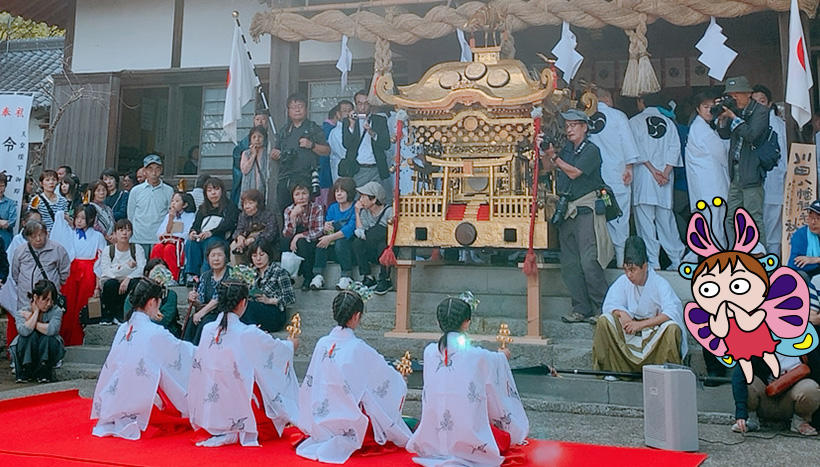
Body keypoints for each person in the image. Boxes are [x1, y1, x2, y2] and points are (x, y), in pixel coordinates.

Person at [406, 296, 529, 466]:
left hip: (434, 435)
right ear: (466, 322)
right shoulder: (475, 354)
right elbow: (495, 365)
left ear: (439, 322)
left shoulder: (429, 352)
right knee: (501, 437)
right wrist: (503, 356)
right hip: (469, 434)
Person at [297, 290, 412, 463]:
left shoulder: (322, 343)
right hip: (350, 419)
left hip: (321, 414)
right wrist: (400, 380)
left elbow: (310, 382)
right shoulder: (358, 348)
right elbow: (383, 377)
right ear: (357, 316)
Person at [187, 281, 300, 447]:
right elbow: (276, 351)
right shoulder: (248, 332)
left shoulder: (208, 329)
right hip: (240, 400)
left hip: (212, 403)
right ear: (243, 303)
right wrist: (290, 345)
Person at [91, 277, 195, 440]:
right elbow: (180, 352)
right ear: (152, 302)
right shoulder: (154, 332)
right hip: (142, 399)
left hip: (116, 396)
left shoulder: (123, 328)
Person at [539, 109, 613, 324]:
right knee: (570, 263)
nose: (569, 129)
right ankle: (580, 308)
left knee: (590, 260)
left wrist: (554, 157)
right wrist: (545, 152)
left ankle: (602, 306)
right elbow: (547, 169)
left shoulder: (591, 150)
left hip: (585, 210)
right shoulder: (567, 151)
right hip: (566, 210)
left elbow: (575, 172)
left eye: (574, 125)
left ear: (584, 127)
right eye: (567, 125)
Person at [592, 236, 686, 373]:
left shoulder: (660, 284)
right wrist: (621, 313)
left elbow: (672, 311)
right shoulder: (623, 281)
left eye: (633, 270)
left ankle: (662, 373)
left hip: (653, 333)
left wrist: (641, 324)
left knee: (672, 328)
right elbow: (610, 304)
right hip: (629, 332)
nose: (628, 275)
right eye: (626, 270)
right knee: (604, 320)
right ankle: (612, 370)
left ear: (645, 267)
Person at [587, 88, 642, 267]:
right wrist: (629, 168)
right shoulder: (618, 116)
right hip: (617, 174)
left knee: (601, 216)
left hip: (595, 178)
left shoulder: (586, 118)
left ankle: (603, 261)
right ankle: (620, 261)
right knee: (619, 215)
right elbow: (627, 143)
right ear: (608, 99)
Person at [630, 93, 685, 270]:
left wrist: (653, 171)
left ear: (641, 102)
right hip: (664, 180)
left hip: (644, 177)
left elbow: (635, 150)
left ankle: (653, 262)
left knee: (645, 222)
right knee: (666, 220)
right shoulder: (669, 123)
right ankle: (677, 260)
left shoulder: (635, 122)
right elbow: (675, 148)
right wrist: (665, 172)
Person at [716, 76, 770, 250]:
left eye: (736, 95)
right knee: (730, 216)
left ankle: (762, 257)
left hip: (752, 171)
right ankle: (735, 253)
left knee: (753, 216)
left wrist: (734, 117)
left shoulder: (760, 111)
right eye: (731, 96)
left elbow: (751, 134)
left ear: (748, 94)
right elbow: (724, 134)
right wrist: (723, 118)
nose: (734, 99)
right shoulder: (734, 110)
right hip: (736, 172)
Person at [50, 205, 107, 346]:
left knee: (82, 306)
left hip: (89, 272)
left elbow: (101, 260)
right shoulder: (70, 233)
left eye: (83, 218)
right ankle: (64, 338)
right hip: (71, 271)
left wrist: (97, 284)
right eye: (77, 218)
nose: (79, 221)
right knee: (68, 306)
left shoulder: (98, 236)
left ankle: (80, 339)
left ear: (91, 219)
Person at [9, 220, 70, 349]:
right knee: (26, 330)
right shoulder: (20, 251)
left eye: (41, 235)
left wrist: (54, 289)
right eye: (33, 236)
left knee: (49, 329)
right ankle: (23, 359)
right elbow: (15, 273)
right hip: (26, 299)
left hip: (48, 299)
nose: (38, 239)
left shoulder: (57, 249)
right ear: (28, 237)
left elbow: (65, 272)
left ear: (46, 234)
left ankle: (49, 357)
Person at [730, 352, 820, 436]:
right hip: (763, 397)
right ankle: (750, 419)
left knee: (810, 387)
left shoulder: (808, 345)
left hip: (792, 400)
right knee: (746, 380)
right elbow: (739, 374)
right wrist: (741, 413)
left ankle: (800, 421)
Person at [685, 91, 730, 246]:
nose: (709, 110)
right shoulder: (701, 130)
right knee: (715, 228)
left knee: (711, 227)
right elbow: (723, 154)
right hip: (712, 188)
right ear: (698, 109)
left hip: (707, 189)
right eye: (705, 107)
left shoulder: (702, 127)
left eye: (712, 107)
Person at [271, 94, 330, 214]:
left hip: (306, 177)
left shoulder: (313, 128)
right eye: (293, 107)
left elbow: (327, 150)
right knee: (285, 212)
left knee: (306, 214)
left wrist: (312, 145)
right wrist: (274, 154)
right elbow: (276, 151)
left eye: (300, 106)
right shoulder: (284, 131)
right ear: (288, 111)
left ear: (306, 109)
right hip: (285, 178)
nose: (297, 110)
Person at [752, 85, 788, 256]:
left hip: (775, 181)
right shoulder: (751, 124)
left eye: (762, 101)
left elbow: (785, 158)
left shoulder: (778, 125)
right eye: (755, 102)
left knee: (773, 226)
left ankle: (772, 261)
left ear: (769, 104)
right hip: (757, 184)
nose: (759, 105)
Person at [183, 177, 238, 282]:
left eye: (216, 189)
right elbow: (196, 225)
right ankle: (191, 274)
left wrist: (211, 232)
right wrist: (193, 232)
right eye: (209, 190)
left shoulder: (230, 206)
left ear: (222, 191)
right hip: (203, 239)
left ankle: (206, 276)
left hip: (220, 240)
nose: (213, 193)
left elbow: (229, 224)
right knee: (191, 242)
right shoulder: (203, 208)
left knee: (211, 244)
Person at [9, 280, 64, 383]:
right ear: (35, 298)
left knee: (48, 338)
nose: (48, 304)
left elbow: (52, 329)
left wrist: (30, 319)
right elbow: (24, 331)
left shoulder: (56, 311)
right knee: (28, 336)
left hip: (48, 352)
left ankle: (44, 369)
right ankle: (26, 368)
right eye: (45, 300)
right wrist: (35, 313)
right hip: (29, 351)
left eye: (51, 300)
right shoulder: (22, 312)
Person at [182, 241, 232, 345]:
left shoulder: (231, 275)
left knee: (205, 323)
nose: (216, 259)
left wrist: (201, 313)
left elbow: (217, 299)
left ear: (226, 257)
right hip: (207, 313)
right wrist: (193, 299)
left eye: (219, 255)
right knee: (192, 321)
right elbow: (200, 301)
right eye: (213, 255)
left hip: (224, 314)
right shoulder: (205, 276)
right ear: (208, 259)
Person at [97, 219, 146, 323]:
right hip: (113, 283)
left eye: (128, 230)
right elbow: (106, 271)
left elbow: (141, 269)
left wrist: (128, 278)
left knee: (135, 283)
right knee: (111, 284)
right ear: (114, 233)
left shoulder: (137, 249)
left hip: (130, 283)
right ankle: (110, 314)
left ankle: (129, 314)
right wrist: (127, 268)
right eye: (121, 230)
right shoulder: (108, 250)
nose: (124, 233)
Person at [127, 154, 174, 259]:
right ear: (145, 171)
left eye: (157, 168)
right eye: (150, 169)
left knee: (156, 271)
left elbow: (170, 214)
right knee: (138, 270)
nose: (154, 172)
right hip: (138, 237)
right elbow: (131, 214)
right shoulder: (136, 190)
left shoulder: (168, 190)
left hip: (159, 238)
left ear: (161, 170)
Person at [341, 90, 391, 188]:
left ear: (371, 104)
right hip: (357, 168)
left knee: (378, 199)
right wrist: (352, 124)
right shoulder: (348, 121)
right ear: (355, 105)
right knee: (358, 198)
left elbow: (386, 145)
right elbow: (346, 144)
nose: (363, 107)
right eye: (359, 103)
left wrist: (372, 133)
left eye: (366, 103)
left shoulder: (380, 120)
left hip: (376, 167)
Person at [242, 240, 294, 332]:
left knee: (249, 307)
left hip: (273, 313)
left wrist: (270, 300)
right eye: (254, 256)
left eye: (262, 255)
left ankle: (252, 331)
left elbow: (290, 298)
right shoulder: (250, 273)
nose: (258, 259)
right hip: (254, 310)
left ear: (268, 254)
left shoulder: (279, 272)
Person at [316, 177, 357, 290]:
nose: (339, 194)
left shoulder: (356, 206)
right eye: (336, 191)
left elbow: (350, 229)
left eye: (342, 191)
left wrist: (329, 237)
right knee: (321, 240)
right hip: (333, 245)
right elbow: (328, 225)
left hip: (349, 247)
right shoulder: (333, 207)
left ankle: (346, 276)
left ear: (349, 192)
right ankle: (318, 275)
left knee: (339, 240)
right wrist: (326, 226)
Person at [352, 181, 393, 294]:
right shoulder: (364, 213)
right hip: (371, 249)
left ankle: (385, 279)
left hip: (386, 251)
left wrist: (367, 234)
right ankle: (368, 276)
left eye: (363, 197)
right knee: (357, 242)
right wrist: (357, 212)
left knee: (380, 232)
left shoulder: (389, 211)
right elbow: (359, 232)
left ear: (374, 199)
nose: (360, 200)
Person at [281, 183, 324, 290]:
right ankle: (289, 275)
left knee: (301, 242)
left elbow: (319, 231)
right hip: (294, 245)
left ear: (309, 195)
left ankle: (308, 277)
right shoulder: (289, 210)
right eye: (297, 194)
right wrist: (293, 216)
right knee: (284, 241)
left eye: (304, 193)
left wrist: (299, 236)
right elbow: (287, 234)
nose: (301, 197)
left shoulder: (317, 208)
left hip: (312, 242)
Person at [123, 259, 181, 336]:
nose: (160, 275)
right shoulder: (134, 293)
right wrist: (152, 317)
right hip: (138, 333)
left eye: (164, 271)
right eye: (157, 271)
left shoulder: (170, 295)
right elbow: (129, 315)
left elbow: (165, 319)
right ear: (147, 273)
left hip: (164, 333)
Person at [150, 191, 196, 281]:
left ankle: (172, 277)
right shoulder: (169, 216)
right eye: (172, 201)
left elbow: (187, 233)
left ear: (185, 204)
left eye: (177, 201)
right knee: (157, 248)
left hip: (180, 244)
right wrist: (171, 218)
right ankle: (155, 276)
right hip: (167, 242)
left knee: (169, 249)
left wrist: (173, 237)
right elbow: (161, 233)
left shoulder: (190, 216)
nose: (173, 203)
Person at [230, 189, 277, 266]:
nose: (247, 206)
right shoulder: (243, 215)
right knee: (234, 245)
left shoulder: (268, 215)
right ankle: (238, 271)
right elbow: (238, 229)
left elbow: (270, 234)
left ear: (258, 204)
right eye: (245, 204)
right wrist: (239, 237)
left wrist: (253, 239)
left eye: (250, 203)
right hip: (246, 244)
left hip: (265, 245)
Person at [232, 111, 270, 205]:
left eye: (263, 119)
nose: (260, 122)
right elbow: (243, 169)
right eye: (257, 119)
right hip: (249, 183)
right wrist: (252, 155)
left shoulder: (269, 147)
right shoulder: (245, 148)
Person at [788, 200, 820, 283]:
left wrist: (816, 260)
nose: (813, 222)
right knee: (798, 275)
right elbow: (793, 264)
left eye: (818, 219)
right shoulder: (801, 234)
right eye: (811, 217)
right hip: (809, 276)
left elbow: (808, 261)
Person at [239, 126, 270, 198]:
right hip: (249, 186)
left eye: (260, 137)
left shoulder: (267, 153)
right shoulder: (246, 153)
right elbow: (245, 170)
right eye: (254, 137)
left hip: (263, 186)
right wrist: (253, 155)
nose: (257, 139)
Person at [329, 100, 355, 183]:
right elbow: (343, 152)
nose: (348, 114)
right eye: (344, 111)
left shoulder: (355, 128)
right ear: (338, 114)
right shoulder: (335, 132)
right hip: (342, 170)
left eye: (350, 111)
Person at [0, 173, 18, 251]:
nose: (0, 189)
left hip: (5, 238)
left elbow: (12, 221)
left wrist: (6, 224)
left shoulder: (11, 203)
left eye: (2, 186)